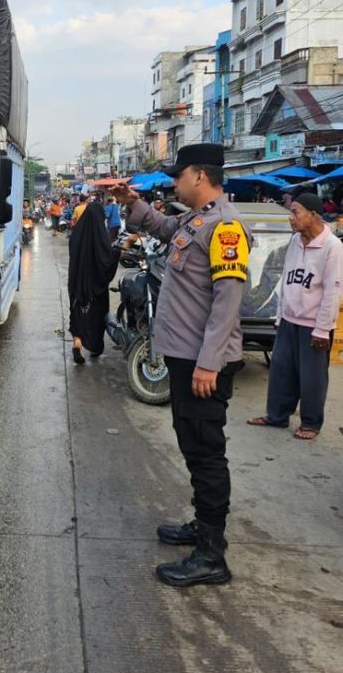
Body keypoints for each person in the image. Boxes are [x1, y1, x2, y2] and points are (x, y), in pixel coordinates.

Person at [114, 143, 252, 588]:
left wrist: (209, 364)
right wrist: (130, 203)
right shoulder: (196, 220)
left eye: (178, 174)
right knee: (193, 446)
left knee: (206, 453)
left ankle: (212, 555)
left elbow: (228, 302)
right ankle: (202, 525)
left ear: (199, 176)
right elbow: (161, 225)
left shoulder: (226, 228)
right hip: (184, 356)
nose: (173, 181)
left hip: (201, 362)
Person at [248, 192, 343, 441]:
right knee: (281, 371)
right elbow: (286, 282)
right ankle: (277, 416)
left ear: (313, 214)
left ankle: (311, 423)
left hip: (314, 326)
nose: (291, 218)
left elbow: (333, 291)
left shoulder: (332, 247)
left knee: (312, 378)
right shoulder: (294, 241)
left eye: (295, 212)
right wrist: (280, 316)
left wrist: (322, 329)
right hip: (289, 320)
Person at [68, 201, 119, 365]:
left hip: (77, 283)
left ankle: (77, 343)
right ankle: (95, 347)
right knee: (97, 315)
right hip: (96, 288)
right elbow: (106, 261)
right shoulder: (100, 237)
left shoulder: (77, 233)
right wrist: (118, 252)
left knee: (77, 312)